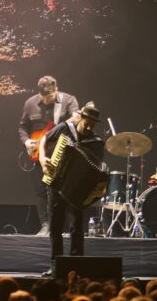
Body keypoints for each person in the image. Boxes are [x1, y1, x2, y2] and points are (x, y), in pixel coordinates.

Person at [39, 102, 104, 272]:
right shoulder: (65, 128)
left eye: (93, 124)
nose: (89, 127)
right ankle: (56, 266)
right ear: (81, 117)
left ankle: (76, 266)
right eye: (87, 122)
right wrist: (42, 159)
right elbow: (44, 139)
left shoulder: (95, 142)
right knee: (55, 227)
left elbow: (98, 171)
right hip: (56, 183)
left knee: (76, 228)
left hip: (77, 190)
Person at [18, 76, 79, 236]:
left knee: (63, 190)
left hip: (62, 153)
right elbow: (22, 127)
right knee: (41, 191)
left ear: (56, 90)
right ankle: (46, 225)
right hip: (38, 154)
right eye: (43, 98)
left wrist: (74, 121)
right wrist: (26, 142)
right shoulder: (30, 103)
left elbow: (77, 122)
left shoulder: (68, 100)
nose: (46, 101)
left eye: (50, 97)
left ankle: (66, 228)